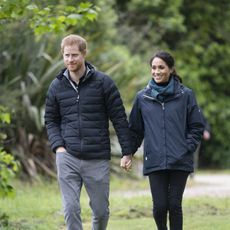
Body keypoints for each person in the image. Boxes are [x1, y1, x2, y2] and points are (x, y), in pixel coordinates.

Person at [44, 34, 132, 230]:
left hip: (97, 156)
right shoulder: (56, 86)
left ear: (84, 53)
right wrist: (58, 146)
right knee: (71, 209)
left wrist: (127, 151)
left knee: (101, 212)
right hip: (67, 156)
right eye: (66, 55)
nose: (70, 60)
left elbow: (119, 118)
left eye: (74, 55)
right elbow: (50, 120)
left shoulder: (104, 83)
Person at [128, 51, 205, 230]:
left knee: (174, 205)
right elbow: (135, 130)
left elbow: (196, 125)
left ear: (171, 69)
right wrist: (128, 152)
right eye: (153, 68)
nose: (157, 71)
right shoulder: (142, 97)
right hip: (154, 159)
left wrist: (188, 146)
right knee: (160, 207)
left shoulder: (186, 95)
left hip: (180, 158)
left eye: (161, 67)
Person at [192, 111, 211, 177]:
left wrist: (206, 130)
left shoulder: (197, 109)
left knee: (194, 155)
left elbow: (205, 122)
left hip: (195, 136)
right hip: (182, 136)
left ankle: (192, 172)